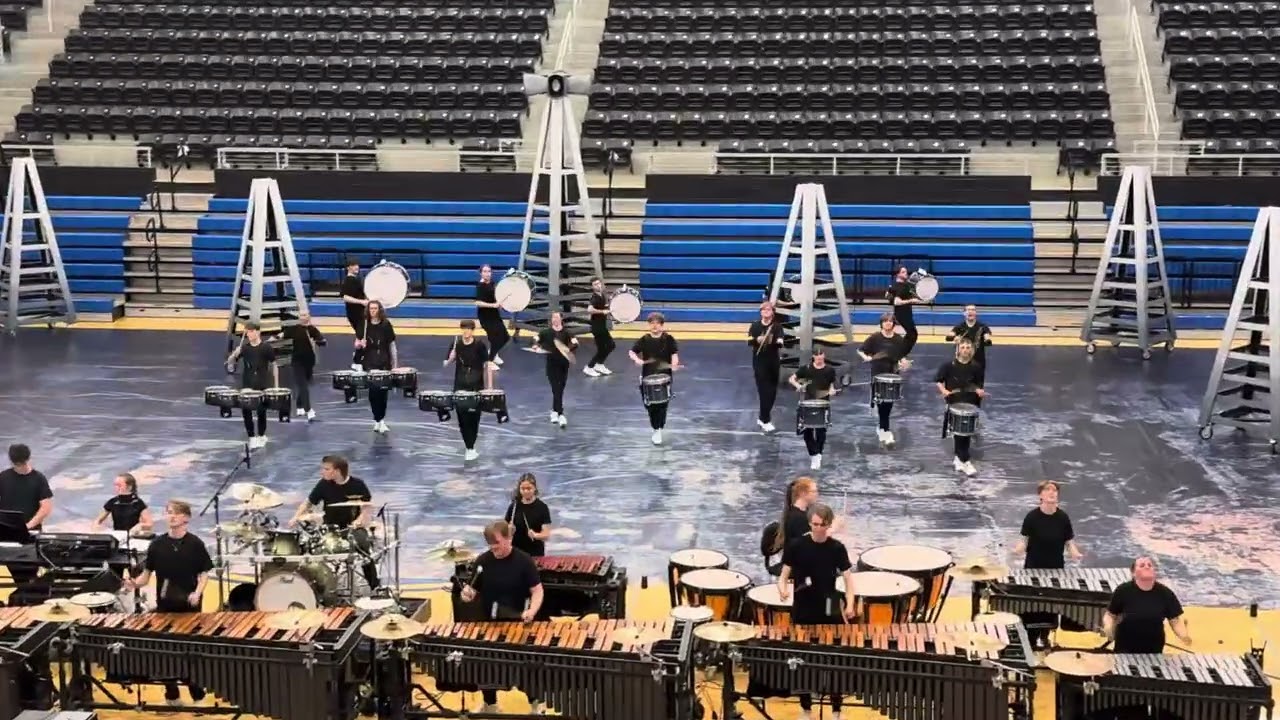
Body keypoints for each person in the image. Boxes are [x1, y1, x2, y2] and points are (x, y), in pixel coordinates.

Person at [122, 500, 213, 703]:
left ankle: (198, 695)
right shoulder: (157, 545)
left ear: (186, 518)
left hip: (189, 608)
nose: (171, 516)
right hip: (165, 607)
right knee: (164, 653)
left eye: (175, 513)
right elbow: (146, 576)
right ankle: (172, 695)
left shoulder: (195, 544)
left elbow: (204, 573)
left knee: (189, 654)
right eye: (168, 512)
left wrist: (197, 592)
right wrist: (133, 585)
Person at [777, 504, 856, 720]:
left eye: (822, 525)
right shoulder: (796, 545)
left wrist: (849, 604)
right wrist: (782, 588)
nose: (817, 529)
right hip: (803, 603)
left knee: (834, 660)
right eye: (814, 524)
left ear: (829, 525)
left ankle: (837, 710)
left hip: (830, 602)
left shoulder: (837, 548)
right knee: (802, 660)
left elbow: (849, 580)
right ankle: (806, 709)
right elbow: (784, 574)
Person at [457, 521, 545, 713]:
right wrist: (467, 594)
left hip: (519, 622)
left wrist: (532, 611)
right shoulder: (483, 561)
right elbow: (474, 588)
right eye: (489, 543)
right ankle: (491, 704)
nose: (493, 547)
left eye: (496, 542)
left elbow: (537, 591)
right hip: (491, 622)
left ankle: (535, 705)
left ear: (509, 538)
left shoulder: (524, 561)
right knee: (487, 664)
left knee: (527, 667)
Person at [289, 455, 380, 590]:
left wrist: (359, 521)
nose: (322, 472)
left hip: (352, 529)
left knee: (364, 548)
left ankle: (374, 586)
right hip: (329, 529)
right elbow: (308, 503)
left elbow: (367, 507)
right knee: (309, 549)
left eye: (326, 469)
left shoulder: (358, 485)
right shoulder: (323, 484)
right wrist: (295, 517)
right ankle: (314, 588)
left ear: (337, 471)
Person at [1012, 480, 1083, 647]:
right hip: (1034, 569)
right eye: (1048, 490)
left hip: (1055, 569)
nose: (1052, 492)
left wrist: (1074, 552)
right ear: (1041, 495)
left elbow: (1069, 541)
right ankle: (1030, 639)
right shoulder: (1032, 517)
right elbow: (1024, 540)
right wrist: (1018, 549)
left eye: (1054, 490)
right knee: (1033, 606)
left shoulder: (1063, 517)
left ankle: (1045, 637)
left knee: (1050, 606)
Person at [1103, 557, 1191, 653]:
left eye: (1150, 565)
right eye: (1142, 565)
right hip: (1125, 648)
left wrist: (1184, 636)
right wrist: (1108, 628)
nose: (1147, 567)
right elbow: (1110, 614)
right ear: (1133, 573)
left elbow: (1175, 620)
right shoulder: (1123, 591)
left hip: (1154, 649)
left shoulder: (1165, 593)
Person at [0, 444, 53, 585]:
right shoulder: (3, 478)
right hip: (7, 536)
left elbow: (46, 507)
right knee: (12, 575)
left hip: (30, 535)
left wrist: (28, 526)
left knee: (29, 575)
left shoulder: (38, 478)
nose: (20, 467)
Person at [934, 337, 987, 476]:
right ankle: (965, 460)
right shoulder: (948, 366)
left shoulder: (976, 367)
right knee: (958, 433)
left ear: (972, 350)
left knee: (966, 433)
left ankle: (959, 459)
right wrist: (944, 391)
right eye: (962, 347)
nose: (965, 350)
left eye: (968, 348)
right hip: (955, 402)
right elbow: (938, 381)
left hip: (970, 403)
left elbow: (979, 385)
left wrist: (979, 392)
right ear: (958, 349)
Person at [858, 313, 911, 447]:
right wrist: (867, 357)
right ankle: (885, 430)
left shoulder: (899, 339)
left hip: (892, 375)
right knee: (882, 403)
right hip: (878, 374)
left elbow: (902, 356)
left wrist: (904, 363)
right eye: (885, 321)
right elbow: (860, 350)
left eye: (890, 321)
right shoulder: (875, 337)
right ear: (881, 323)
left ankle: (882, 428)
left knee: (889, 404)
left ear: (894, 324)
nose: (888, 323)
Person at [629, 312, 680, 445]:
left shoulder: (668, 339)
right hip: (648, 376)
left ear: (662, 325)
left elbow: (674, 354)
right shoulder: (644, 339)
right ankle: (655, 428)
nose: (654, 326)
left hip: (665, 376)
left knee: (663, 404)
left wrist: (674, 364)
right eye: (652, 323)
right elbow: (632, 351)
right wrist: (637, 359)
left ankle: (658, 429)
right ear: (649, 325)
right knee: (651, 405)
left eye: (657, 323)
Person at [225, 322, 278, 449]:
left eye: (250, 331)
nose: (248, 334)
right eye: (247, 332)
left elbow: (275, 364)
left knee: (261, 411)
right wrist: (234, 354)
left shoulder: (266, 348)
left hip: (262, 383)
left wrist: (276, 386)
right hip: (247, 384)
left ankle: (261, 435)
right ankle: (252, 437)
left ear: (257, 332)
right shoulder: (245, 348)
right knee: (246, 411)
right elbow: (229, 363)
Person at [445, 320, 492, 461]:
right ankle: (469, 447)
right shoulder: (456, 345)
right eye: (463, 329)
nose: (465, 332)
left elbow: (487, 364)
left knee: (474, 417)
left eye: (468, 329)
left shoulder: (479, 345)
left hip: (476, 385)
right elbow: (446, 363)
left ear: (473, 331)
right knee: (462, 418)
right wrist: (450, 358)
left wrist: (489, 387)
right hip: (460, 384)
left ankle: (471, 446)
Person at [789, 348, 839, 470]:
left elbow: (831, 386)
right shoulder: (806, 369)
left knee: (821, 431)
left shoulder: (830, 370)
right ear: (813, 357)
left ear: (824, 356)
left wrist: (832, 390)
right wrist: (798, 386)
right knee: (807, 432)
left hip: (823, 403)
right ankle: (814, 455)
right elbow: (792, 379)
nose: (820, 360)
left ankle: (818, 454)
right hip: (808, 403)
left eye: (821, 357)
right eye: (817, 358)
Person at [357, 300, 398, 434]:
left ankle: (381, 420)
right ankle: (377, 419)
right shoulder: (364, 325)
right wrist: (359, 345)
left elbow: (392, 345)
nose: (373, 311)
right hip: (369, 361)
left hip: (384, 361)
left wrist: (395, 364)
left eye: (375, 308)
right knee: (373, 392)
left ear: (379, 309)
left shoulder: (386, 325)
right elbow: (356, 343)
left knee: (383, 392)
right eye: (371, 309)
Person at [763, 477, 818, 575]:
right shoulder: (797, 518)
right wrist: (833, 529)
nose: (817, 494)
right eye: (814, 491)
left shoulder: (802, 513)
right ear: (802, 493)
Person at [533, 311, 578, 428]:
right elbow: (536, 339)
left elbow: (575, 343)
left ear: (561, 319)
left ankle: (554, 411)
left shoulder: (567, 333)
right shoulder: (546, 332)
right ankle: (561, 414)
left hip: (563, 364)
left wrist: (568, 349)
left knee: (560, 388)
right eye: (553, 317)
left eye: (557, 317)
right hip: (551, 365)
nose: (555, 319)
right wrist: (535, 345)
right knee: (556, 388)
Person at [749, 300, 786, 433]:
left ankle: (762, 416)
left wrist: (777, 341)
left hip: (773, 362)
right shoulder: (755, 326)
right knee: (763, 391)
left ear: (772, 313)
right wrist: (756, 340)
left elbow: (781, 341)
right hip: (759, 362)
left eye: (768, 309)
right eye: (763, 310)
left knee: (772, 392)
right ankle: (766, 420)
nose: (765, 312)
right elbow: (749, 341)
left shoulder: (777, 327)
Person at [283, 312, 326, 422]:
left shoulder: (313, 330)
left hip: (309, 362)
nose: (303, 317)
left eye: (305, 315)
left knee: (304, 385)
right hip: (297, 362)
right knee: (303, 386)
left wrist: (320, 341)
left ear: (309, 317)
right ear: (299, 317)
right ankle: (309, 410)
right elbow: (281, 335)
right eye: (301, 315)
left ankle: (299, 406)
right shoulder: (294, 329)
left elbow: (321, 341)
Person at [503, 473, 552, 557]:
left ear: (534, 488)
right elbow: (504, 532)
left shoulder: (542, 507)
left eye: (529, 488)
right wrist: (509, 530)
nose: (526, 491)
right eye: (523, 489)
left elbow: (546, 535)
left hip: (535, 554)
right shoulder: (514, 506)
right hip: (516, 553)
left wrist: (536, 535)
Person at [474, 264, 510, 365]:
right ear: (481, 273)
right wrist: (493, 305)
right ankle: (489, 360)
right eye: (484, 271)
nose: (487, 273)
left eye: (489, 271)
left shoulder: (493, 283)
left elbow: (495, 297)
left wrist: (499, 304)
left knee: (505, 337)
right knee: (495, 338)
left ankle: (493, 354)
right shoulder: (480, 286)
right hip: (485, 317)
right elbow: (478, 302)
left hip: (495, 315)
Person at [886, 266, 923, 357]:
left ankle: (899, 354)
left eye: (906, 272)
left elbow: (887, 294)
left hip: (906, 313)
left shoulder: (904, 285)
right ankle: (899, 356)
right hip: (902, 314)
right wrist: (910, 301)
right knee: (912, 334)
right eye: (903, 272)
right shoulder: (899, 286)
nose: (906, 273)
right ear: (897, 274)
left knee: (911, 334)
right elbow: (897, 302)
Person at [340, 257, 368, 370]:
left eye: (357, 265)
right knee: (361, 336)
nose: (357, 267)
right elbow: (345, 297)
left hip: (360, 312)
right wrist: (361, 302)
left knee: (364, 335)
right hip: (355, 313)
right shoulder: (349, 280)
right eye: (354, 265)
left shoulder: (356, 279)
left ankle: (360, 358)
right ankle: (357, 361)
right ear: (348, 267)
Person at [584, 277, 615, 376]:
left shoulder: (602, 295)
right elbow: (589, 309)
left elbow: (606, 309)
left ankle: (599, 364)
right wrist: (602, 312)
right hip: (597, 327)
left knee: (610, 346)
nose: (598, 285)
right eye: (595, 284)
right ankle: (589, 367)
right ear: (592, 287)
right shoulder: (595, 297)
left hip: (602, 326)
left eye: (599, 283)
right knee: (604, 348)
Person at [948, 305, 992, 369]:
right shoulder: (959, 326)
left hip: (978, 360)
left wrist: (987, 339)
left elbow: (987, 337)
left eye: (973, 310)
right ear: (964, 313)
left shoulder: (982, 326)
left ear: (976, 313)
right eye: (968, 310)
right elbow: (949, 336)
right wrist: (954, 338)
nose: (970, 311)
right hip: (963, 360)